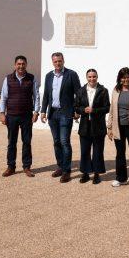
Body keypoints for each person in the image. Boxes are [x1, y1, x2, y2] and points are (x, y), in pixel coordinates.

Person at [41, 52, 81, 183]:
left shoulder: (71, 74)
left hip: (66, 113)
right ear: (52, 62)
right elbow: (46, 94)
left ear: (63, 61)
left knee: (64, 142)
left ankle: (67, 171)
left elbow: (79, 94)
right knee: (56, 142)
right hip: (53, 113)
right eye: (55, 61)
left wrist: (76, 109)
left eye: (59, 61)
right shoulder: (48, 76)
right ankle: (60, 166)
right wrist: (43, 111)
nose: (57, 63)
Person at [0, 55, 40, 178]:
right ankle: (11, 167)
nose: (21, 66)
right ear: (15, 65)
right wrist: (2, 113)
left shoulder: (31, 78)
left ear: (26, 65)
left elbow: (36, 96)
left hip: (27, 116)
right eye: (19, 64)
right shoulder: (8, 79)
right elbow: (3, 97)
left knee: (26, 141)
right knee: (12, 142)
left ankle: (27, 167)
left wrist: (36, 112)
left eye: (23, 64)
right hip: (11, 116)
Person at [74, 68, 110, 184]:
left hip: (98, 126)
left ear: (97, 77)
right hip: (85, 125)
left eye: (94, 76)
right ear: (86, 78)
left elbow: (107, 108)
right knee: (84, 150)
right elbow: (76, 107)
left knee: (98, 151)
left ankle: (96, 174)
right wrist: (83, 110)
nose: (92, 79)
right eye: (89, 77)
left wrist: (94, 110)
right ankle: (85, 173)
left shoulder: (103, 90)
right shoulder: (80, 91)